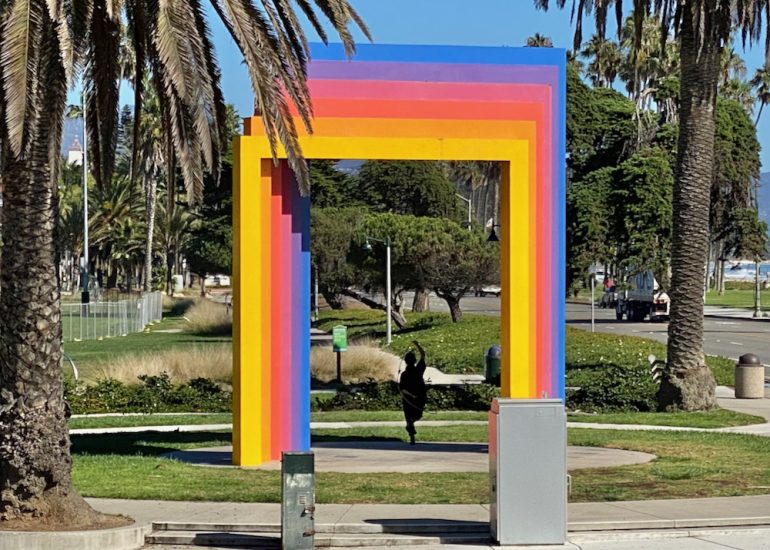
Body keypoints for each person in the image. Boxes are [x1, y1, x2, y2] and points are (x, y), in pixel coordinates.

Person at [399, 340, 427, 445]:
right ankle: (411, 424)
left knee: (408, 416)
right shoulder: (419, 370)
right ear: (415, 360)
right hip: (419, 397)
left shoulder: (404, 374)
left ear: (405, 362)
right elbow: (423, 355)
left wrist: (410, 395)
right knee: (418, 415)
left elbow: (402, 389)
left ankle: (411, 433)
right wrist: (417, 345)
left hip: (408, 400)